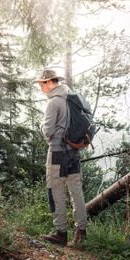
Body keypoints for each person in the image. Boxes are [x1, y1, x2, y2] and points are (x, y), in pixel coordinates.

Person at [36, 69, 87, 247]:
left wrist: (41, 125)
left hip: (57, 153)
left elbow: (48, 132)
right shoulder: (72, 96)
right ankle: (81, 232)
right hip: (74, 151)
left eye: (41, 84)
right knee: (76, 192)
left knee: (55, 191)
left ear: (49, 82)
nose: (40, 87)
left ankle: (61, 233)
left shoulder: (53, 102)